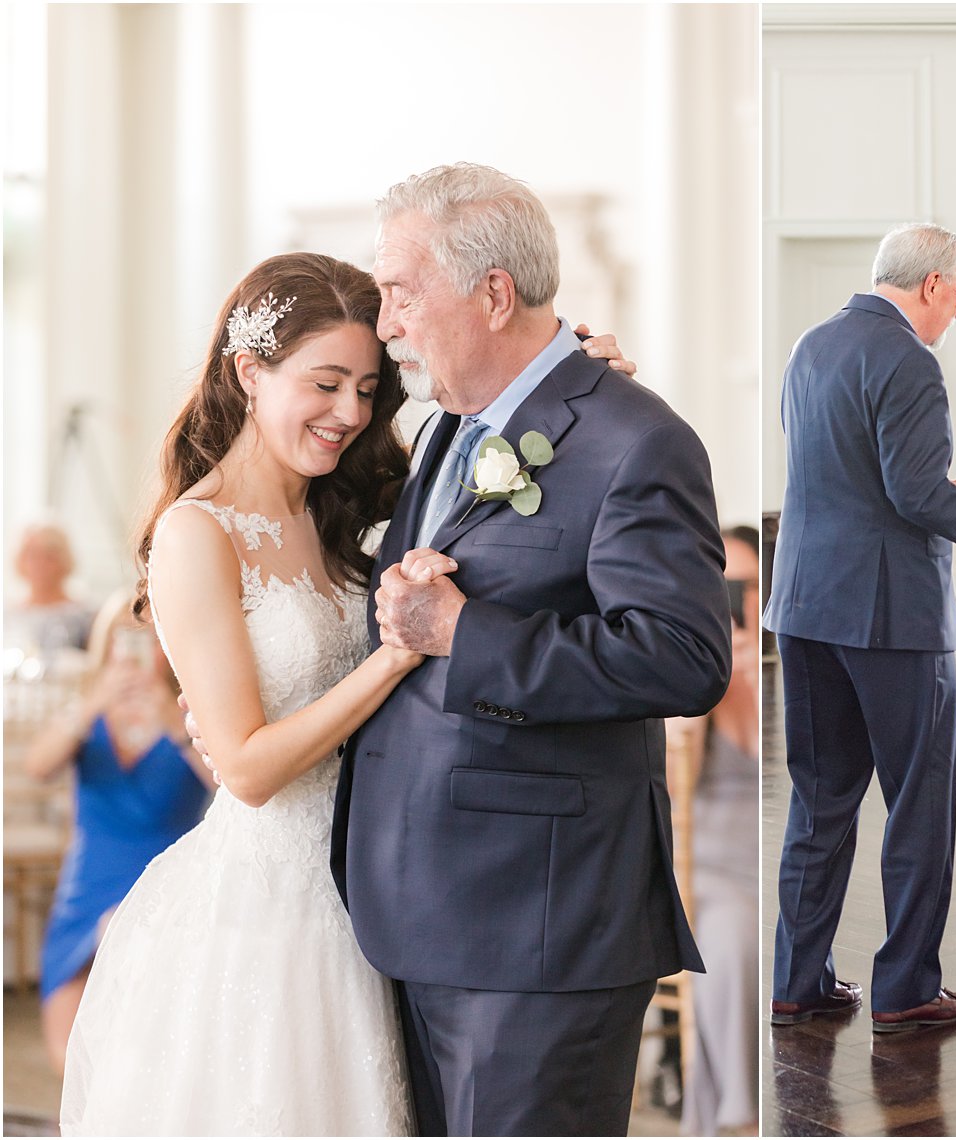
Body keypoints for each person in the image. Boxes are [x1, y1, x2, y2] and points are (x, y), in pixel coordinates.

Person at [59, 247, 637, 1134]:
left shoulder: (357, 505)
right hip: (268, 914)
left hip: (381, 887)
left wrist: (580, 382)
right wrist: (400, 652)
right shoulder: (195, 534)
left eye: (368, 389)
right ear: (249, 371)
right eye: (325, 384)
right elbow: (248, 770)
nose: (349, 413)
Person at [336, 162, 730, 1137]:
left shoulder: (635, 441)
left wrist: (468, 635)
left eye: (400, 290)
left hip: (539, 930)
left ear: (492, 292)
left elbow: (683, 657)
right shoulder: (442, 434)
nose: (388, 323)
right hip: (417, 915)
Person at [764, 223, 956, 1033]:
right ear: (934, 284)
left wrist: (943, 488)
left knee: (821, 799)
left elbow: (848, 473)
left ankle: (798, 982)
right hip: (889, 615)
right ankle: (906, 989)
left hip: (804, 606)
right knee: (918, 803)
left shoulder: (812, 346)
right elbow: (909, 497)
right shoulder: (909, 357)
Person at [27, 589, 213, 1074]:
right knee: (72, 1065)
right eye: (122, 642)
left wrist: (176, 723)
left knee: (142, 1064)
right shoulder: (86, 714)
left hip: (167, 893)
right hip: (86, 893)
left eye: (149, 642)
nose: (133, 655)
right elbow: (37, 766)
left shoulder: (195, 712)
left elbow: (230, 787)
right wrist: (90, 707)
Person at [674, 524, 761, 1137]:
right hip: (705, 855)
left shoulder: (786, 666)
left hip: (775, 851)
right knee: (733, 936)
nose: (733, 601)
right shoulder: (688, 669)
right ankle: (738, 1115)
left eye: (744, 587)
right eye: (718, 589)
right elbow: (672, 785)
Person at [6, 523, 95, 655]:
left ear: (64, 560)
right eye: (32, 555)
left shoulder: (85, 616)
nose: (40, 564)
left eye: (49, 556)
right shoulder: (8, 615)